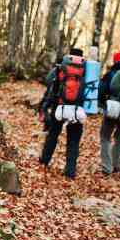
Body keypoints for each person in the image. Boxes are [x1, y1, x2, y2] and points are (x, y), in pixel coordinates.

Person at [38, 47, 85, 179]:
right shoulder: (86, 69)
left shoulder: (62, 67)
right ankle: (70, 171)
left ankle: (44, 160)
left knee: (53, 134)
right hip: (77, 110)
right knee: (73, 140)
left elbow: (48, 80)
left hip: (59, 106)